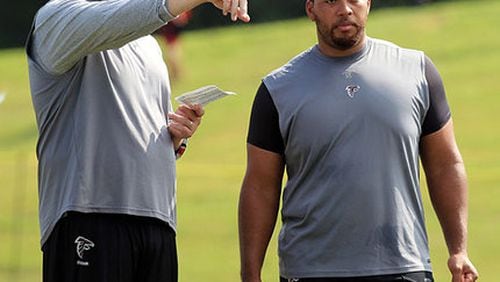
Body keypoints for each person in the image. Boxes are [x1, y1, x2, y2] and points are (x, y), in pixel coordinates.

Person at [238, 0, 478, 282]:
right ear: (310, 9)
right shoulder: (276, 90)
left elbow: (445, 165)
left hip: (404, 268)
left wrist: (458, 250)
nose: (344, 9)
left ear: (369, 3)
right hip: (310, 272)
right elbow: (260, 187)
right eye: (330, 1)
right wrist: (250, 274)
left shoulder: (418, 72)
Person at [26, 0, 249, 281]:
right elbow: (120, 18)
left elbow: (140, 126)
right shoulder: (55, 18)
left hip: (158, 222)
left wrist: (176, 136)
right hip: (88, 217)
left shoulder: (148, 46)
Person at [156, 10, 192, 80]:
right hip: (177, 16)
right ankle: (176, 72)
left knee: (172, 47)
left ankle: (176, 73)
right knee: (174, 46)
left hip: (172, 18)